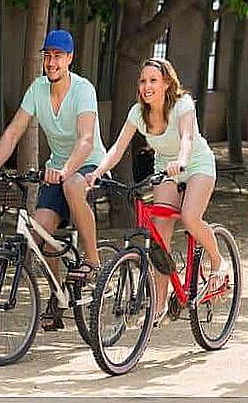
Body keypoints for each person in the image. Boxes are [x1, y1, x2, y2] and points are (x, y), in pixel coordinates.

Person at [0, 29, 107, 331]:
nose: (52, 62)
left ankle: (93, 261)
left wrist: (66, 171)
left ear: (70, 59)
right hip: (56, 169)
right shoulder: (37, 89)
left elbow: (86, 140)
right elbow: (14, 131)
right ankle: (57, 296)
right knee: (41, 232)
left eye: (58, 56)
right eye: (48, 56)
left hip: (88, 165)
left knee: (72, 185)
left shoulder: (83, 90)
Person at [85, 57, 224, 326]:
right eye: (143, 81)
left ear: (167, 83)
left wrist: (182, 161)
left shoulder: (182, 104)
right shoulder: (138, 112)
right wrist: (97, 171)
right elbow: (117, 148)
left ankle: (219, 262)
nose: (147, 86)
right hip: (164, 167)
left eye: (153, 80)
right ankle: (160, 303)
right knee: (160, 238)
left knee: (190, 217)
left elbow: (186, 138)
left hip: (195, 163)